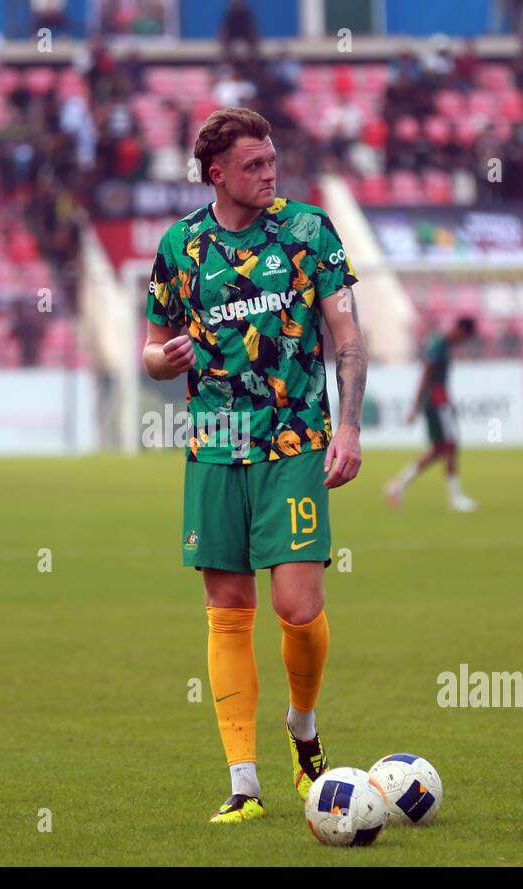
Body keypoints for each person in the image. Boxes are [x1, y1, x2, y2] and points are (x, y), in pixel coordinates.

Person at [142, 107, 366, 824]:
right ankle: (244, 784)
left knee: (297, 608)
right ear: (217, 174)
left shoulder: (309, 231)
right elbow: (150, 349)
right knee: (227, 611)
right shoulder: (179, 247)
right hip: (214, 445)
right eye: (255, 166)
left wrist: (350, 427)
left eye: (273, 162)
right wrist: (162, 358)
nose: (270, 175)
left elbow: (348, 337)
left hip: (295, 439)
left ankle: (303, 732)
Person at [386, 315, 479, 512]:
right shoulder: (439, 344)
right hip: (438, 402)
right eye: (465, 338)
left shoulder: (439, 342)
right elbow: (426, 373)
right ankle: (455, 499)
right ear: (461, 330)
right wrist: (416, 406)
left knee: (439, 450)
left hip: (439, 401)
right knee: (451, 446)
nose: (463, 343)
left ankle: (398, 485)